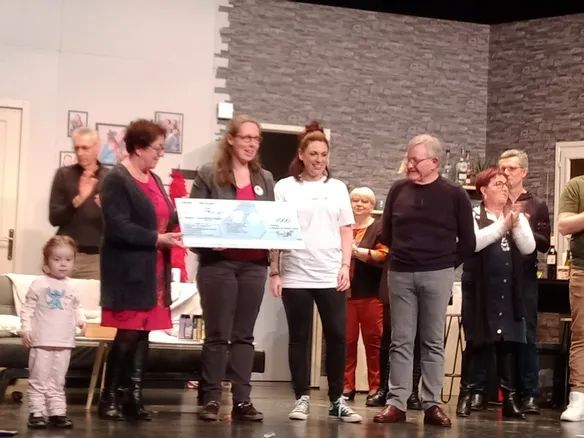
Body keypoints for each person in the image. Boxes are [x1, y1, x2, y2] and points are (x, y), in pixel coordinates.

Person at [374, 134, 475, 427]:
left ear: (434, 162)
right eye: (408, 159)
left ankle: (432, 404)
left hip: (437, 274)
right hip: (400, 273)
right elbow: (386, 233)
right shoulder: (398, 190)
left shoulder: (454, 194)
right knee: (400, 340)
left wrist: (444, 266)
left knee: (432, 341)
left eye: (416, 160)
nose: (410, 165)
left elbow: (468, 242)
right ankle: (397, 402)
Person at [270, 121, 362, 423]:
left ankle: (337, 399)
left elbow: (346, 230)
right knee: (299, 337)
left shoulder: (337, 188)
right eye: (313, 154)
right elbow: (276, 231)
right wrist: (275, 272)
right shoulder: (284, 187)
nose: (318, 160)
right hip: (295, 272)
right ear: (301, 154)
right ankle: (301, 398)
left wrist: (345, 265)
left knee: (337, 335)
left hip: (330, 273)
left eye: (323, 154)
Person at [190, 114, 274, 422]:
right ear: (231, 139)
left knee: (244, 335)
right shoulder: (209, 174)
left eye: (256, 139)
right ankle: (211, 398)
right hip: (219, 265)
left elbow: (270, 222)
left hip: (254, 265)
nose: (251, 144)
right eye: (246, 138)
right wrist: (210, 242)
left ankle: (242, 400)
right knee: (217, 334)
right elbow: (194, 224)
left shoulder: (265, 178)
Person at [98, 119, 182, 421]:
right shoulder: (116, 180)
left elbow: (165, 216)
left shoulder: (155, 179)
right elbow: (118, 226)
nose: (161, 153)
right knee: (128, 334)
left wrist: (186, 223)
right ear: (137, 148)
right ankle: (109, 397)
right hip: (129, 270)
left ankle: (133, 398)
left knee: (144, 333)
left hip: (155, 270)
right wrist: (156, 239)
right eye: (157, 148)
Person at [456, 168, 535, 419]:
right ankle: (466, 395)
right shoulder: (472, 215)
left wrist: (516, 222)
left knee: (507, 344)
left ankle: (509, 398)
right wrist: (503, 225)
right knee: (477, 342)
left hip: (508, 289)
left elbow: (528, 247)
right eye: (497, 184)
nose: (504, 188)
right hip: (480, 290)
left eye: (505, 184)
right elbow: (474, 243)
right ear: (483, 190)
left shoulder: (514, 216)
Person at [498, 149, 550, 414]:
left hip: (525, 277)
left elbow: (544, 244)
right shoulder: (495, 201)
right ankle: (500, 392)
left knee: (527, 334)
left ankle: (529, 394)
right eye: (502, 169)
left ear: (524, 172)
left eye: (511, 168)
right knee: (499, 334)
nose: (506, 173)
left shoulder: (536, 204)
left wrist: (523, 225)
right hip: (497, 275)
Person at [20, 236, 86, 429]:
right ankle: (37, 412)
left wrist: (81, 319)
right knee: (39, 378)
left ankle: (57, 412)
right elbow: (28, 308)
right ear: (47, 262)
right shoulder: (39, 284)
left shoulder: (72, 286)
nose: (63, 264)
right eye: (57, 259)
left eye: (68, 259)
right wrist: (25, 328)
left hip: (64, 341)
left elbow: (76, 307)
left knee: (58, 380)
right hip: (42, 340)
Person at [341, 187, 388, 405]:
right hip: (345, 294)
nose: (359, 205)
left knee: (374, 343)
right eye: (355, 200)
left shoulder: (379, 227)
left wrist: (357, 252)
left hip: (371, 294)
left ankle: (375, 387)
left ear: (372, 206)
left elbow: (384, 255)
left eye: (365, 201)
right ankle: (346, 386)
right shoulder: (342, 227)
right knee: (346, 342)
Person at [49, 127, 109, 279]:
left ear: (97, 147)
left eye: (85, 148)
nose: (80, 153)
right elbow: (54, 218)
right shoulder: (63, 175)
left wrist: (107, 209)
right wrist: (78, 201)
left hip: (97, 259)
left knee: (93, 296)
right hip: (63, 256)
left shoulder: (110, 178)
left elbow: (119, 224)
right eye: (77, 148)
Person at [558, 175, 584, 421]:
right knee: (582, 335)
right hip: (583, 270)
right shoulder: (577, 185)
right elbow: (564, 225)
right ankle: (579, 399)